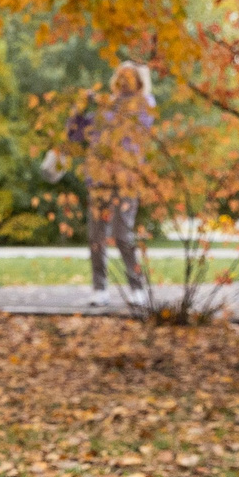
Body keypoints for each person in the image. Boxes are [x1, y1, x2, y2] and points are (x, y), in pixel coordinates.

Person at [82, 64, 153, 311]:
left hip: (126, 180)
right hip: (100, 179)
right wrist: (79, 110)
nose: (124, 82)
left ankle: (137, 288)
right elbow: (79, 134)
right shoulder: (105, 108)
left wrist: (102, 104)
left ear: (139, 82)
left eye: (129, 78)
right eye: (120, 77)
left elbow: (130, 125)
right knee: (96, 237)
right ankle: (99, 288)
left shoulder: (144, 105)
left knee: (123, 235)